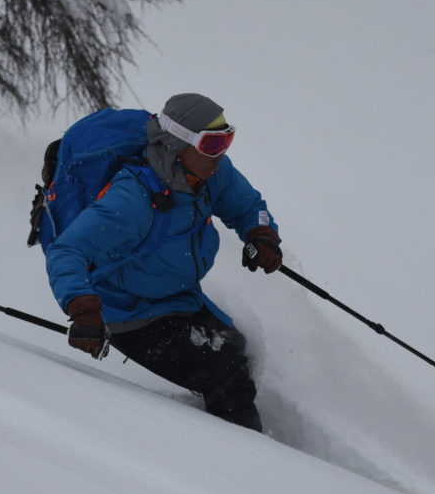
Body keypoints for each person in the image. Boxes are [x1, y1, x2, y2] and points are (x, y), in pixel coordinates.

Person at [45, 92, 283, 431]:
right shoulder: (131, 200)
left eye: (227, 139)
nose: (221, 153)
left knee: (242, 351)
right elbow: (67, 251)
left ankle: (226, 428)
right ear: (177, 143)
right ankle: (247, 463)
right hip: (130, 312)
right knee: (225, 374)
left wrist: (261, 233)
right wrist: (83, 309)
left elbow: (247, 205)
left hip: (179, 297)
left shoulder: (209, 172)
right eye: (212, 144)